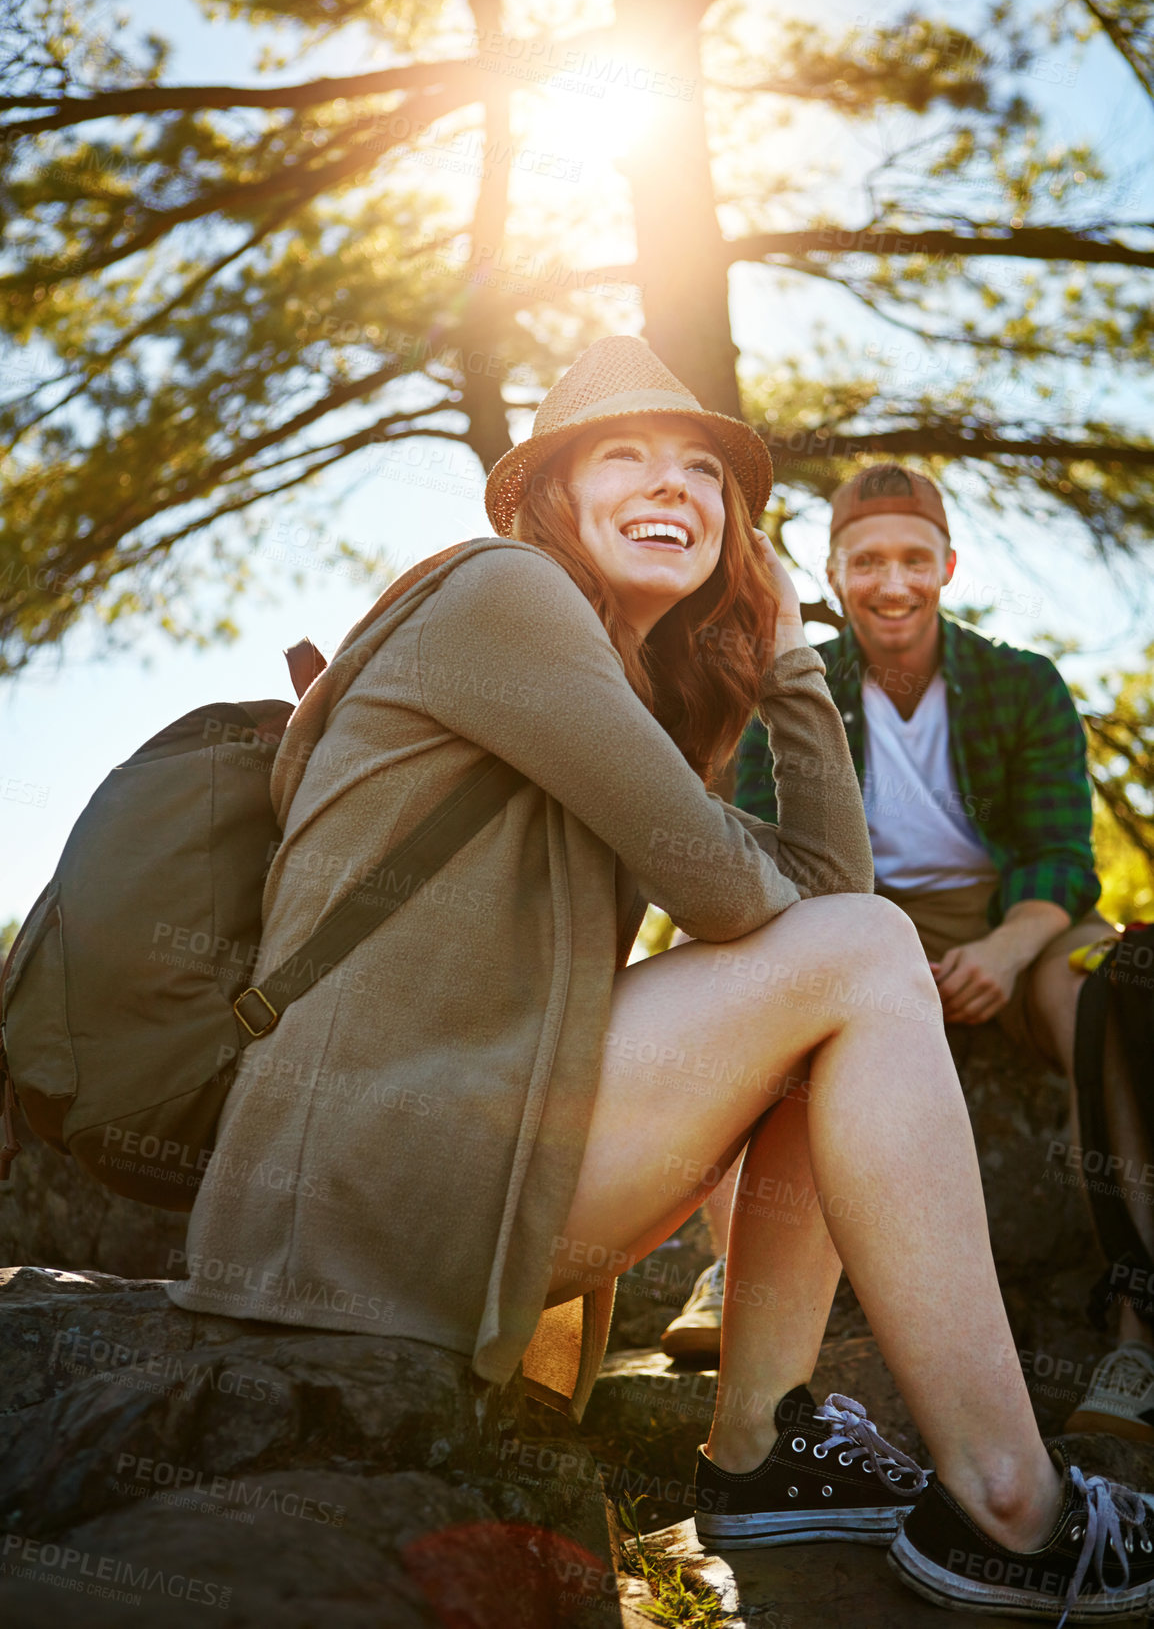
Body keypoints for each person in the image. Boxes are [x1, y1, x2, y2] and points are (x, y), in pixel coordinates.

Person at [166, 344, 1151, 1619]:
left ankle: (758, 1444)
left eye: (701, 469)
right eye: (620, 456)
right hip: (371, 1184)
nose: (672, 485)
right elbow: (757, 902)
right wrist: (792, 778)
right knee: (851, 955)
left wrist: (790, 653)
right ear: (546, 499)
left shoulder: (609, 672)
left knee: (841, 979)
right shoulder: (503, 593)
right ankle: (1012, 1501)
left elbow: (826, 889)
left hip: (476, 1152)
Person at [666, 463, 1150, 1443]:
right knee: (709, 958)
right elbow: (755, 849)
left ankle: (1140, 1331)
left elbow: (1058, 854)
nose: (891, 583)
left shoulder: (1021, 681)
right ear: (835, 575)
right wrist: (863, 963)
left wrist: (1012, 948)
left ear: (947, 565)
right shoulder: (790, 683)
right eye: (867, 562)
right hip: (849, 913)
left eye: (911, 559)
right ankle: (729, 1265)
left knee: (1122, 989)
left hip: (1011, 917)